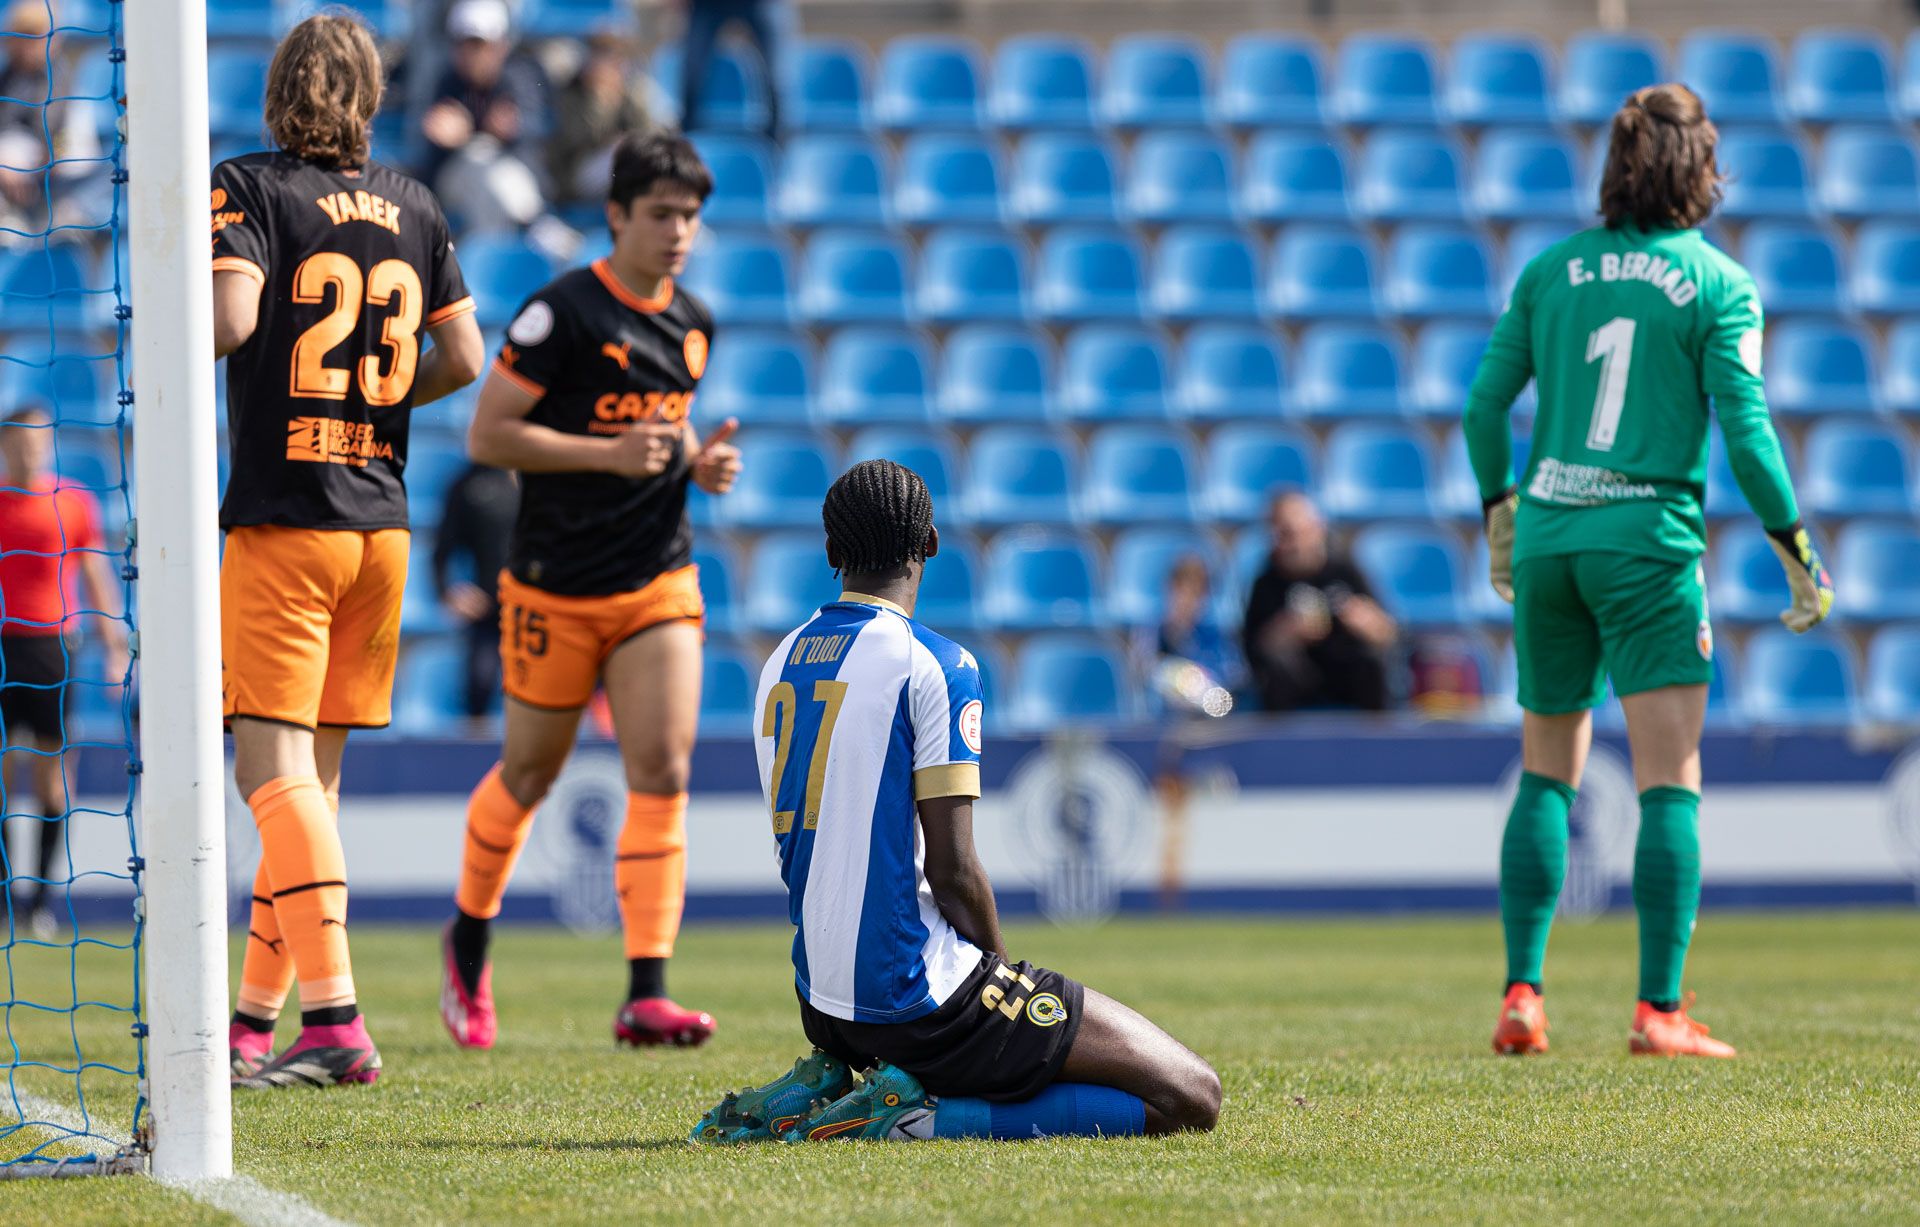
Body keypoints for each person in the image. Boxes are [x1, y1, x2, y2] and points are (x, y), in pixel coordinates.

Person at [692, 459, 1220, 1145]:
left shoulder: (779, 662)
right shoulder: (935, 663)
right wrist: (1002, 978)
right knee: (1191, 1095)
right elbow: (954, 868)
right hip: (915, 997)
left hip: (823, 999)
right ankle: (917, 1117)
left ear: (830, 554)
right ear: (931, 544)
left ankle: (843, 1078)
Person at [1465, 84, 1832, 1059]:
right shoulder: (1719, 284)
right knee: (1670, 781)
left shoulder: (1551, 271)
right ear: (1700, 167)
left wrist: (1501, 510)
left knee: (1548, 773)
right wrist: (1795, 546)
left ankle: (1522, 996)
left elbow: (1480, 406)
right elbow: (1747, 432)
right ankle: (1659, 1011)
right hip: (1648, 545)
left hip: (1549, 538)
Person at [213, 12, 486, 1089]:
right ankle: (250, 1025)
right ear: (370, 96)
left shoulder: (250, 184)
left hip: (288, 516)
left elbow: (234, 325)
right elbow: (463, 351)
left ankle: (333, 1021)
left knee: (266, 774)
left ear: (282, 89)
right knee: (310, 794)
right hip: (380, 525)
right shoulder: (416, 201)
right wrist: (374, 395)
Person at [438, 132, 742, 1053]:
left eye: (690, 216)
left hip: (656, 578)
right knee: (528, 775)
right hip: (554, 588)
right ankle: (468, 939)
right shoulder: (560, 313)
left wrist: (700, 462)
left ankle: (646, 990)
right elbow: (489, 436)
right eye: (661, 214)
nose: (678, 232)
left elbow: (665, 431)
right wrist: (610, 454)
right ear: (616, 215)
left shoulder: (694, 320)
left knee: (665, 771)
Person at [0, 406, 125, 937]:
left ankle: (42, 901)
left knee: (53, 776)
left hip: (54, 648)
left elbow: (95, 571)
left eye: (38, 441)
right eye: (20, 442)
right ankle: (8, 898)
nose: (31, 450)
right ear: (7, 446)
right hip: (4, 647)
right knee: (7, 773)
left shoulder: (73, 502)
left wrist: (115, 644)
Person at [1242, 491, 1397, 713]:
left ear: (1316, 529)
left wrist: (1366, 623)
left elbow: (1388, 634)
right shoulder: (1266, 583)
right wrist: (1284, 633)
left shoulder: (1346, 572)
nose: (1286, 545)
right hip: (1298, 681)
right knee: (1276, 671)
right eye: (1278, 535)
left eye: (1290, 534)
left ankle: (1377, 741)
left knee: (1370, 663)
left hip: (1346, 675)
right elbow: (1253, 650)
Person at [421, 0, 551, 234]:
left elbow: (544, 125)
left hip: (512, 180)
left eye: (480, 45)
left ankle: (517, 238)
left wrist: (514, 129)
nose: (471, 54)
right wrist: (450, 138)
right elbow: (433, 155)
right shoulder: (447, 81)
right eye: (463, 44)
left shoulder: (519, 76)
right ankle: (535, 226)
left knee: (491, 174)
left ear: (501, 46)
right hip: (460, 178)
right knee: (478, 162)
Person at [431, 460, 519, 729]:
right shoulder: (469, 483)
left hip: (546, 612)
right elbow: (442, 549)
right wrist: (448, 592)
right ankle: (476, 761)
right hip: (489, 615)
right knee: (479, 683)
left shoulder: (549, 480)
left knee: (556, 691)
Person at [549, 31, 654, 206]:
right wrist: (599, 101)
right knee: (623, 156)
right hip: (575, 175)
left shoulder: (629, 93)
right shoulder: (570, 95)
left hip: (622, 167)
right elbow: (577, 142)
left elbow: (648, 134)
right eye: (601, 58)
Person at [679, 0, 783, 138]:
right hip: (708, 5)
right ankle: (687, 143)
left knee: (778, 80)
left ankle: (776, 148)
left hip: (761, 4)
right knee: (692, 79)